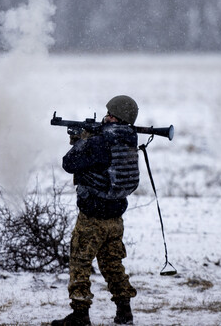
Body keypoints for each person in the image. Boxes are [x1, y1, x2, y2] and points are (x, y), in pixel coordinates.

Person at [52, 95, 140, 326]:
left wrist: (81, 140)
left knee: (80, 263)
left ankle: (80, 314)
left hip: (93, 217)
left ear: (115, 117)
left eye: (109, 114)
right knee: (113, 265)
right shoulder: (128, 139)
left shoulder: (100, 142)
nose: (105, 117)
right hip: (115, 216)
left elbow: (68, 163)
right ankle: (124, 311)